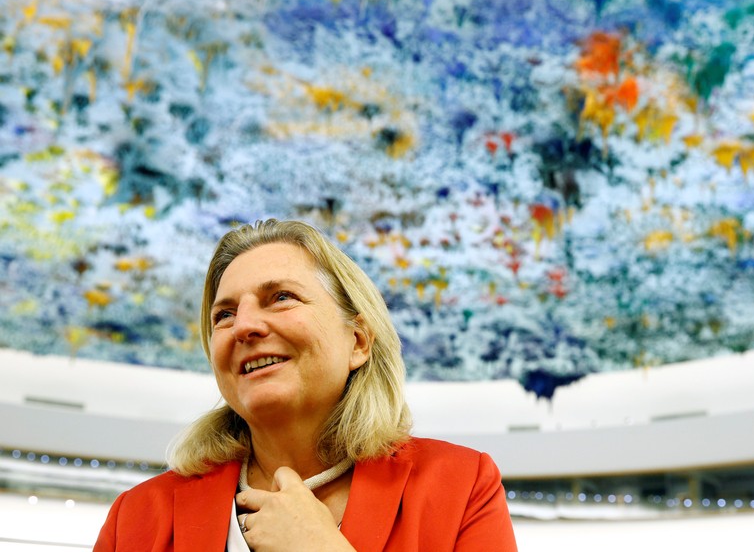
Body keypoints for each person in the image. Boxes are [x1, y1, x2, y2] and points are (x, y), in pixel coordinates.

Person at [94, 219, 517, 551]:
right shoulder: (136, 517)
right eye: (224, 315)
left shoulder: (460, 487)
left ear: (357, 341)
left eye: (280, 297)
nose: (244, 325)